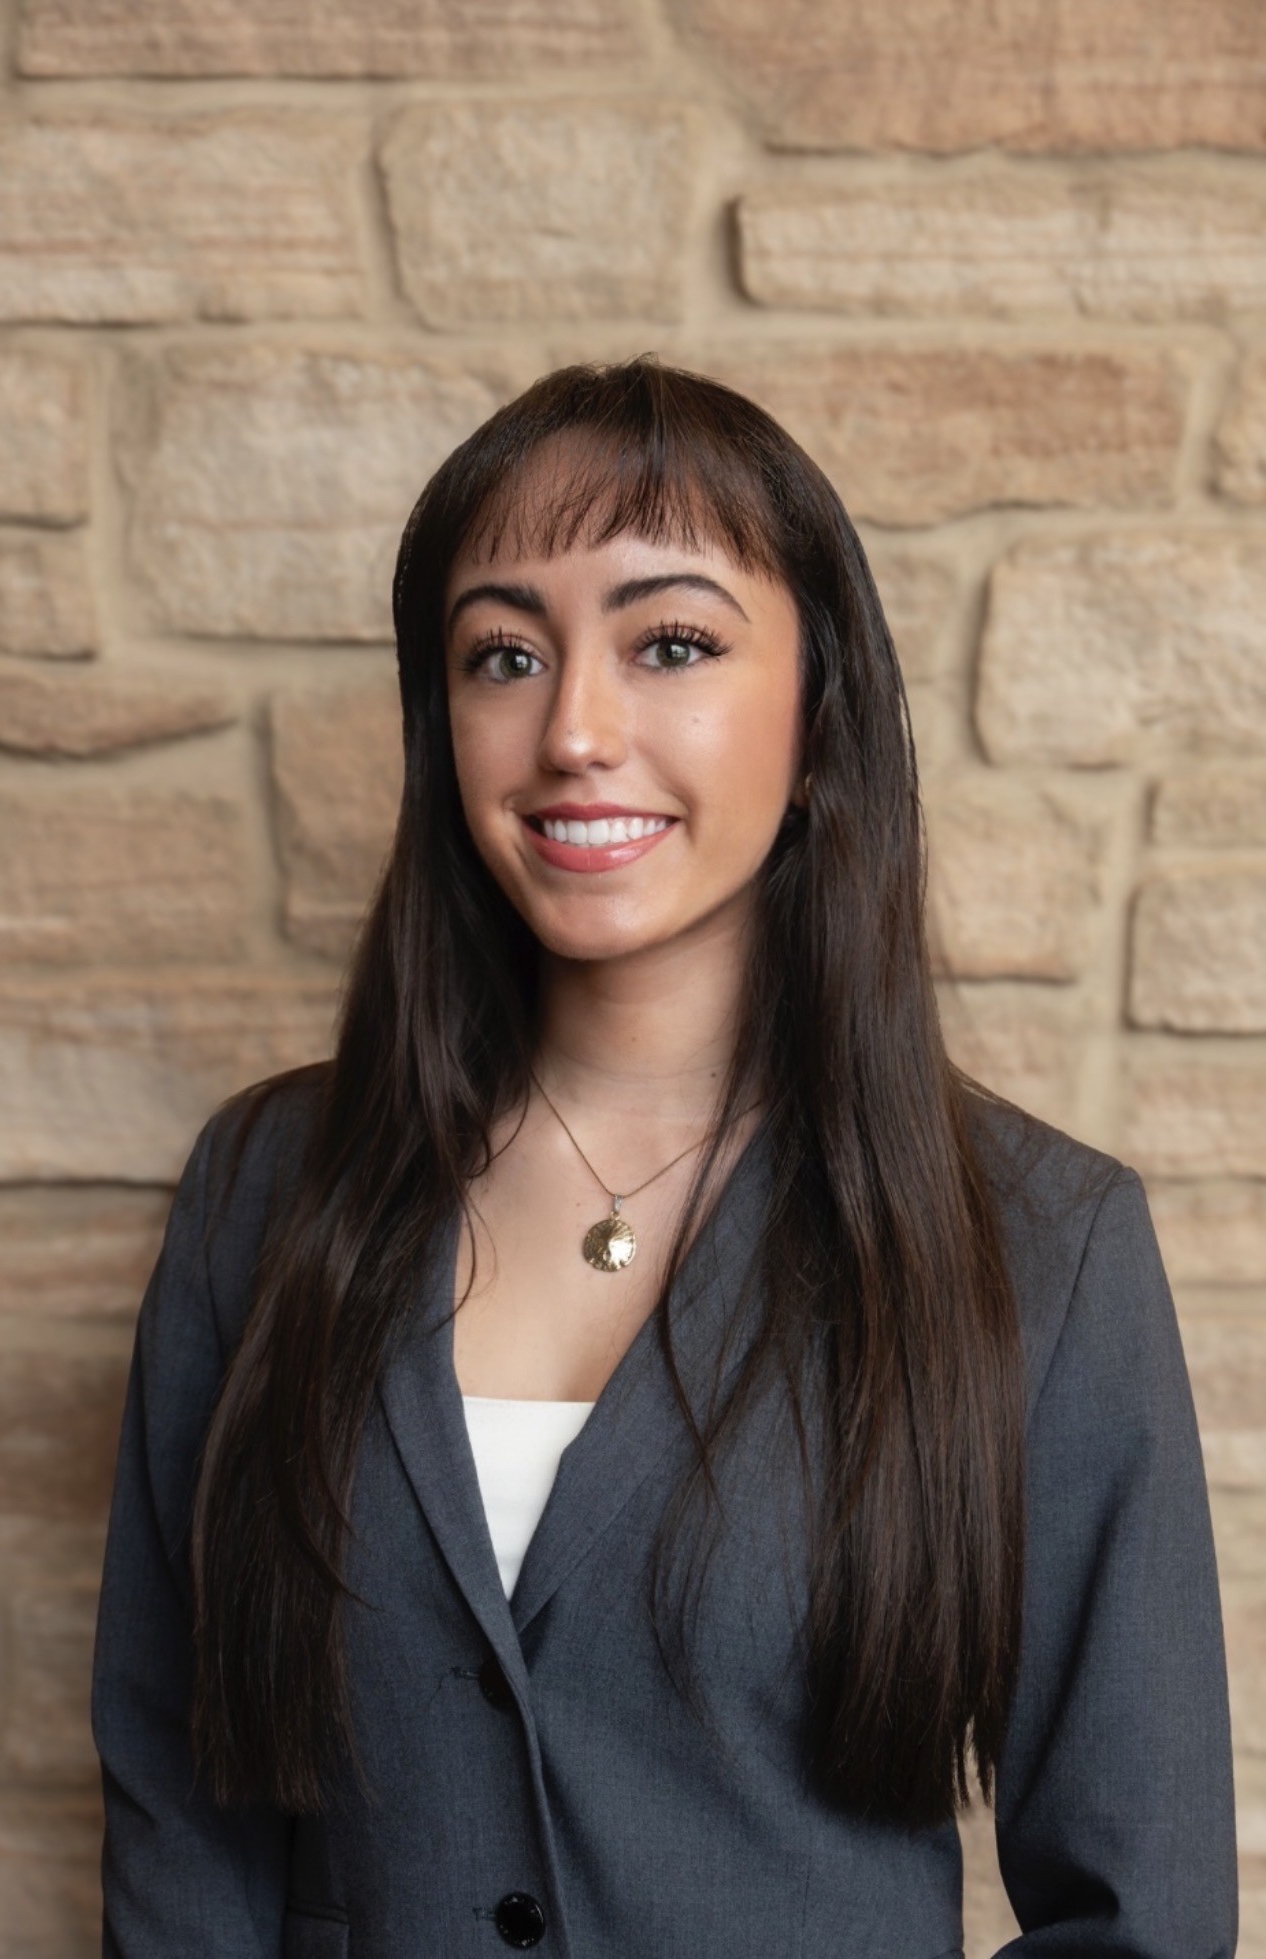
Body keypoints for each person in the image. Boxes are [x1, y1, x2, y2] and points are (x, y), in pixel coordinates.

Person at [91, 356, 1238, 1958]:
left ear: (819, 710)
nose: (574, 729)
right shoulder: (263, 1191)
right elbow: (179, 1805)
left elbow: (1144, 1914)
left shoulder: (1045, 1243)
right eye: (504, 655)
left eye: (673, 642)